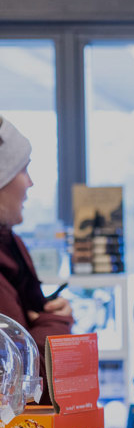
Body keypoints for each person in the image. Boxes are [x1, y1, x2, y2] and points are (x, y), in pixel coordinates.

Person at [0, 116, 73, 403]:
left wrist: (46, 317)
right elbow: (28, 385)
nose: (31, 183)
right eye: (23, 169)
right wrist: (56, 320)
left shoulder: (11, 247)